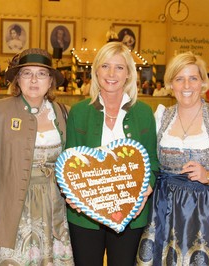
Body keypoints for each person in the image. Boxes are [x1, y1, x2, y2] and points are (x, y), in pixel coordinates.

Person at [136, 52, 209, 265]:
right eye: (179, 79)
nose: (186, 85)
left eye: (193, 78)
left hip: (204, 209)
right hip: (162, 207)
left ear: (203, 83)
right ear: (171, 84)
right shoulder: (162, 116)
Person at [65, 41, 159, 266]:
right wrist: (72, 192)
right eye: (105, 66)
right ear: (96, 71)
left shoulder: (144, 113)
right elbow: (70, 160)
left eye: (119, 67)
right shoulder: (79, 112)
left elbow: (153, 163)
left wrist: (147, 188)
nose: (111, 73)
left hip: (130, 215)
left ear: (128, 73)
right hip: (85, 216)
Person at [0, 48, 74, 265]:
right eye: (27, 73)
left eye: (42, 73)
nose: (34, 80)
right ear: (17, 79)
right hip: (14, 208)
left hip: (55, 206)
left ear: (51, 81)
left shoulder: (64, 112)